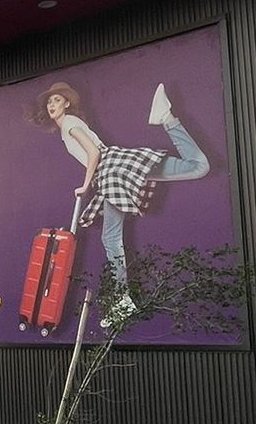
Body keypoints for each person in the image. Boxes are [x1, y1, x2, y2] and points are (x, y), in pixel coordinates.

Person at [33, 80, 210, 324]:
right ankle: (166, 117)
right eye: (49, 102)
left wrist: (85, 185)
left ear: (67, 103)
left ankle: (123, 300)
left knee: (110, 238)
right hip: (113, 168)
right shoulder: (68, 127)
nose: (51, 104)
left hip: (112, 169)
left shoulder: (70, 124)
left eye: (56, 100)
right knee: (197, 167)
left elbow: (94, 153)